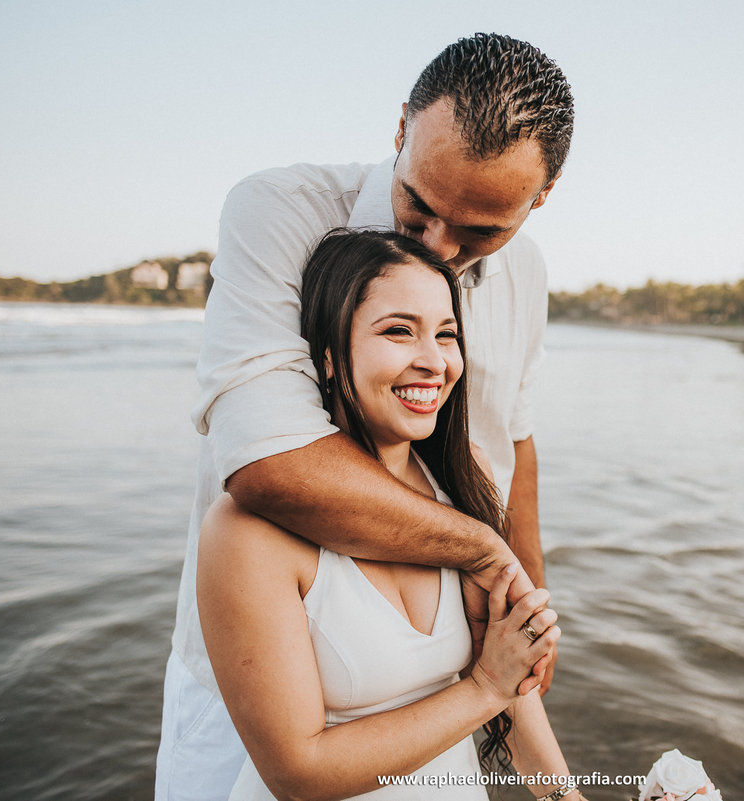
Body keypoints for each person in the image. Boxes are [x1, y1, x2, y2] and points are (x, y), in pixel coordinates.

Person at [156, 33, 575, 801]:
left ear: (539, 197)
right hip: (255, 678)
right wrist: (484, 550)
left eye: (480, 230)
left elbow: (513, 440)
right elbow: (267, 462)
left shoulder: (530, 273)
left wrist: (525, 606)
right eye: (419, 205)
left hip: (447, 666)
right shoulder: (279, 211)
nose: (440, 249)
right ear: (401, 131)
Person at [200, 229, 580, 801]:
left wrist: (566, 798)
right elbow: (297, 772)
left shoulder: (461, 483)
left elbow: (517, 692)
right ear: (328, 358)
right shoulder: (246, 532)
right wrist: (483, 688)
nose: (433, 362)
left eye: (446, 335)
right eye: (399, 331)